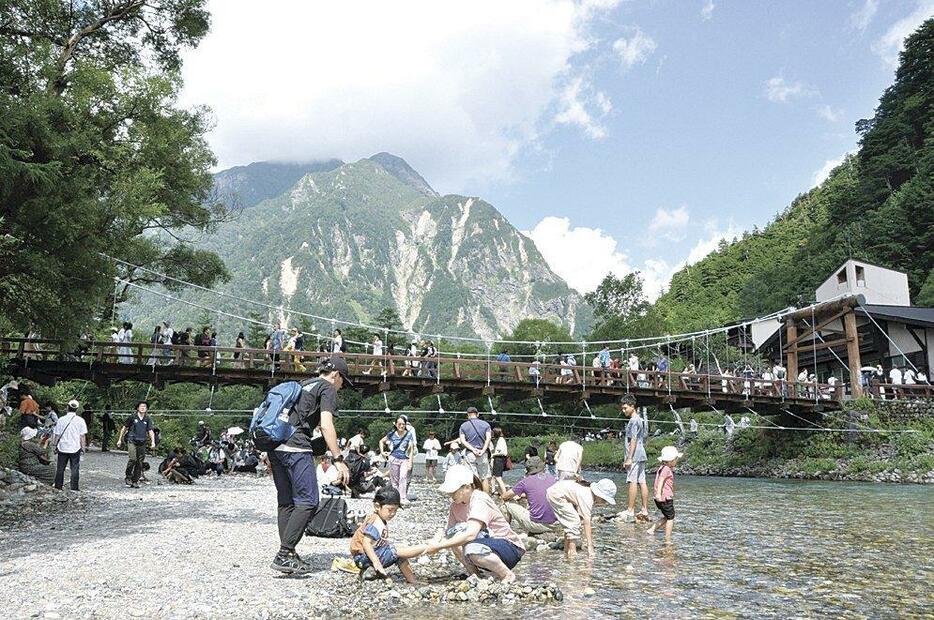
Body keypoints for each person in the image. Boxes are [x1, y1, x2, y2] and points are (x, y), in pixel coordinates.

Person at [268, 356, 350, 575]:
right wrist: (339, 460)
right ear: (336, 375)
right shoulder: (327, 388)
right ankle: (284, 553)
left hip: (275, 446)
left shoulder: (304, 384)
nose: (342, 387)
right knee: (308, 502)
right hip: (296, 447)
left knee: (286, 501)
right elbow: (326, 424)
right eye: (343, 381)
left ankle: (289, 553)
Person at [427, 464, 525, 582]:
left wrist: (438, 546)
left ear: (467, 487)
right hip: (487, 547)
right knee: (454, 537)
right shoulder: (455, 506)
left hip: (509, 548)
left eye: (453, 492)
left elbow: (471, 534)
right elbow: (448, 532)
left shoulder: (479, 499)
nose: (450, 495)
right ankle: (475, 575)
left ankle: (507, 575)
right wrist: (433, 542)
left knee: (469, 546)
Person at [349, 486, 428, 582]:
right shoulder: (375, 521)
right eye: (390, 510)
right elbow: (366, 543)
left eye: (395, 510)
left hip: (369, 556)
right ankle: (426, 547)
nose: (393, 513)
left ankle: (412, 580)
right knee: (394, 550)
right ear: (377, 507)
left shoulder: (381, 520)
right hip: (362, 558)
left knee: (399, 555)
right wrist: (376, 563)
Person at [546, 477, 617, 559]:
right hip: (556, 495)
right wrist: (590, 546)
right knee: (574, 521)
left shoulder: (587, 491)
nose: (605, 503)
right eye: (604, 500)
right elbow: (587, 522)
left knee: (571, 520)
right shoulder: (587, 497)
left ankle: (566, 549)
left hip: (557, 492)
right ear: (599, 495)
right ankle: (572, 551)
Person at [500, 456, 559, 536]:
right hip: (556, 524)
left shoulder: (525, 481)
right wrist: (524, 495)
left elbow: (504, 496)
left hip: (536, 525)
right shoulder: (553, 479)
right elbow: (542, 493)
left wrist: (517, 495)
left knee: (506, 505)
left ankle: (504, 534)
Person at [621, 394, 649, 520]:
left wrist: (629, 458)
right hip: (641, 453)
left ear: (632, 406)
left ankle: (630, 509)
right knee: (642, 481)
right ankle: (644, 509)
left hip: (635, 455)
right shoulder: (640, 419)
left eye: (625, 408)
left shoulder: (633, 421)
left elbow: (633, 440)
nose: (623, 411)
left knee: (632, 481)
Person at [117, 401, 156, 488]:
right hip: (132, 440)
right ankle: (128, 477)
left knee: (140, 462)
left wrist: (153, 441)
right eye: (141, 406)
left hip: (142, 442)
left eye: (144, 407)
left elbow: (150, 431)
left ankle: (135, 480)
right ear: (137, 408)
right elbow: (124, 428)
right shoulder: (132, 417)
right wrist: (119, 439)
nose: (143, 408)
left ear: (146, 409)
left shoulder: (147, 419)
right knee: (133, 459)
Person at [52, 400, 88, 491]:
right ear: (76, 409)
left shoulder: (61, 419)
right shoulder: (80, 420)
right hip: (75, 447)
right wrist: (83, 448)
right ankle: (74, 488)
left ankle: (58, 486)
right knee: (75, 469)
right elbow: (82, 436)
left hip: (62, 447)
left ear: (67, 407)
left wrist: (54, 445)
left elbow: (57, 434)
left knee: (60, 468)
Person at [647, 445, 681, 539]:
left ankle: (652, 530)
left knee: (667, 516)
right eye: (676, 459)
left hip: (660, 498)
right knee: (670, 518)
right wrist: (658, 493)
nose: (676, 461)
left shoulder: (662, 468)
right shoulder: (666, 469)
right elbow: (661, 480)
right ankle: (668, 538)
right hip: (664, 498)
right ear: (671, 460)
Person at [379, 416, 415, 505]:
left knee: (403, 477)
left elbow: (411, 449)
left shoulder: (409, 434)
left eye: (403, 424)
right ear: (395, 424)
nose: (401, 426)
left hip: (404, 459)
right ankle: (396, 497)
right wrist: (382, 452)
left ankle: (402, 497)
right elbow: (381, 441)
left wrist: (410, 461)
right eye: (399, 424)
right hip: (393, 458)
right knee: (394, 480)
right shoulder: (391, 434)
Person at [458, 407, 492, 493]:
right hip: (482, 453)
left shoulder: (463, 426)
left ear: (467, 415)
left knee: (473, 478)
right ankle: (486, 498)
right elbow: (488, 439)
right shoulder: (486, 424)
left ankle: (475, 498)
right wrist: (483, 450)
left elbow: (463, 441)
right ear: (478, 414)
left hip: (470, 453)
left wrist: (473, 449)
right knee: (485, 477)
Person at [490, 427, 509, 496]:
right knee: (494, 476)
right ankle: (493, 491)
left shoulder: (501, 440)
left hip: (499, 459)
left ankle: (505, 493)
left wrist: (493, 455)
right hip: (499, 459)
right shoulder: (500, 439)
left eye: (493, 433)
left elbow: (501, 452)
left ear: (496, 433)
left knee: (498, 477)